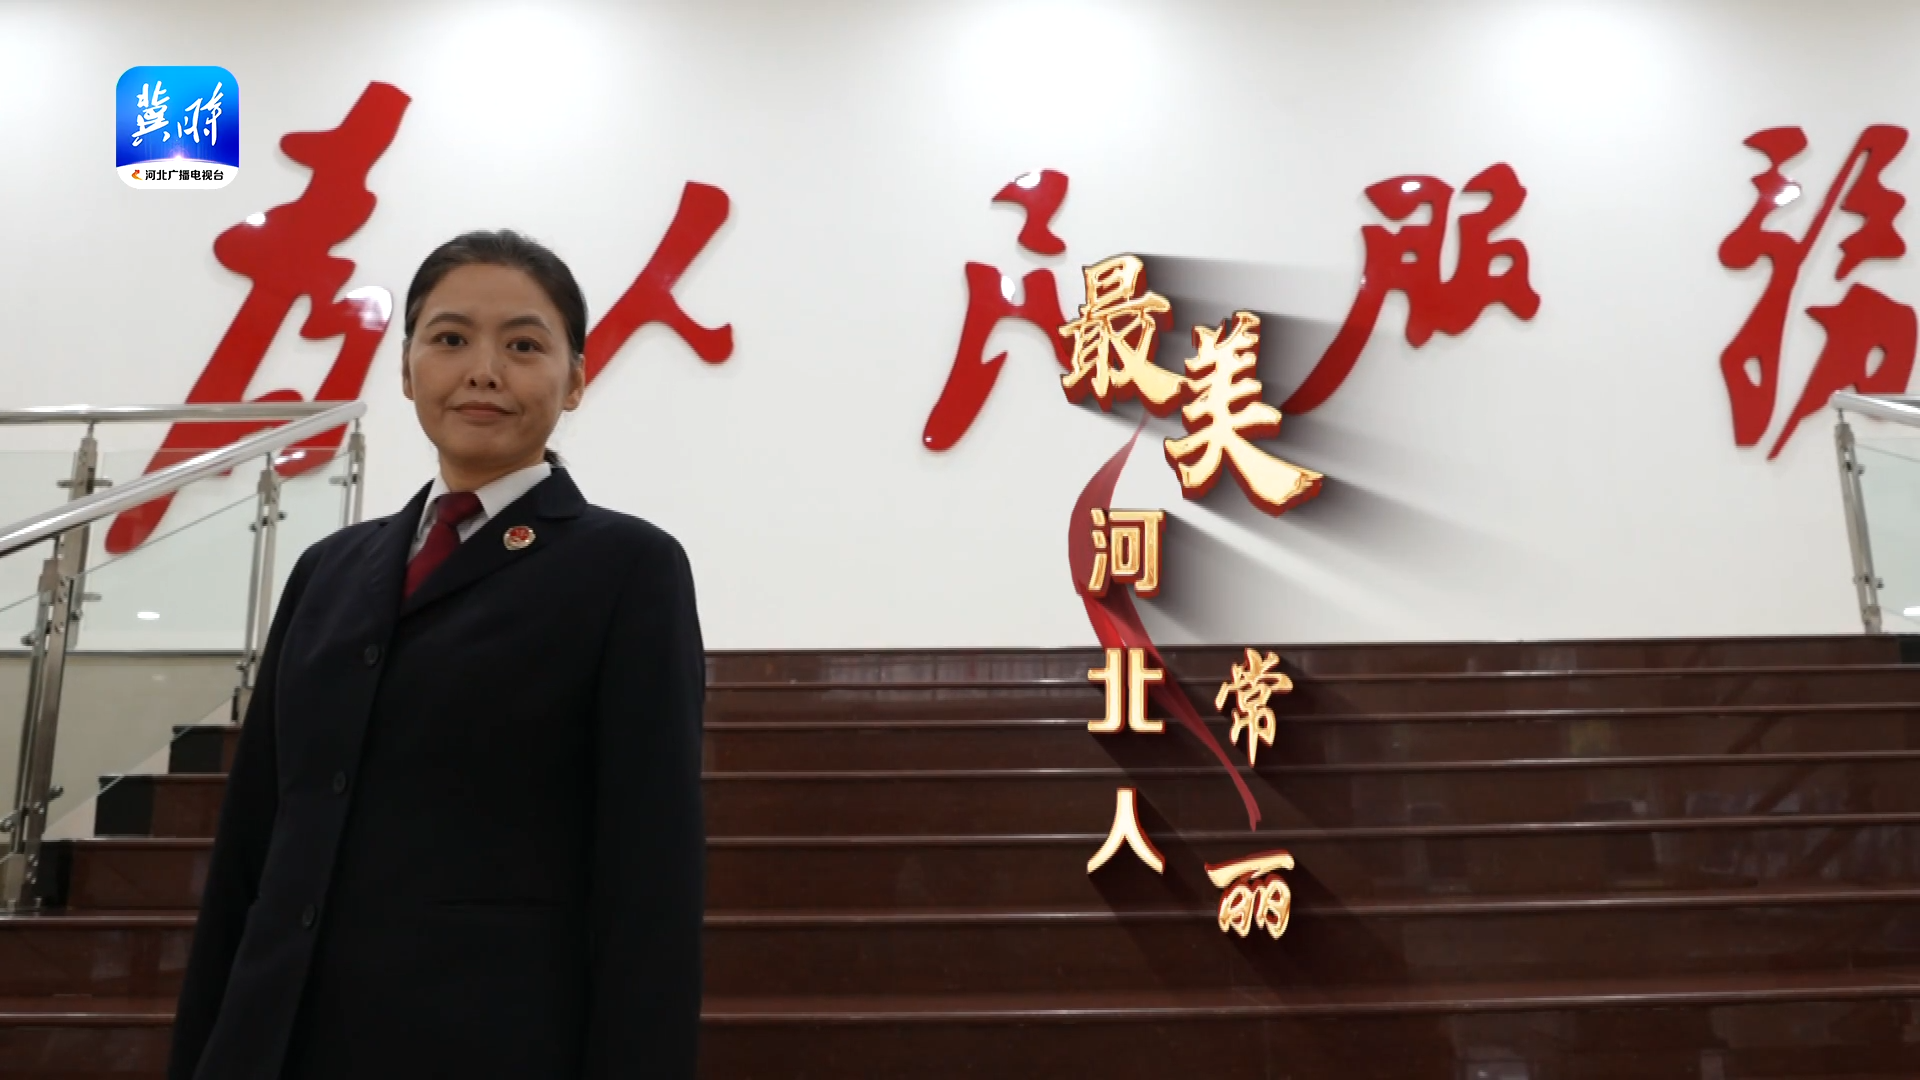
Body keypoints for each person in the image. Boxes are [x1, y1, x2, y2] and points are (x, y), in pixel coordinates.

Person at [166, 231, 706, 1080]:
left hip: (486, 1043)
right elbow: (251, 846)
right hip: (279, 1041)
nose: (483, 371)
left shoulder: (628, 569)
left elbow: (652, 873)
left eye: (523, 346)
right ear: (407, 369)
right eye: (450, 338)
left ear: (575, 379)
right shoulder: (327, 570)